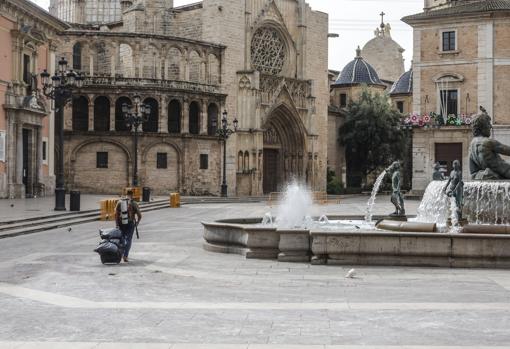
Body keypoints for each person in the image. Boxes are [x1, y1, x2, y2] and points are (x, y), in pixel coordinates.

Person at [115, 190, 142, 262]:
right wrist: (137, 222)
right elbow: (139, 215)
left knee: (122, 238)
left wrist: (117, 224)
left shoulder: (120, 202)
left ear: (125, 194)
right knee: (128, 239)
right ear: (132, 195)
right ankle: (125, 256)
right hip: (130, 223)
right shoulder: (134, 203)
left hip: (121, 223)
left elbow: (116, 214)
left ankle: (121, 253)